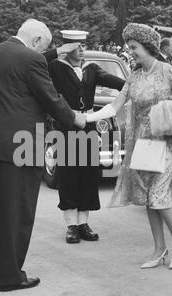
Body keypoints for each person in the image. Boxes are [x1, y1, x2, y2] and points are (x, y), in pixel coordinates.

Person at [0, 19, 86, 292]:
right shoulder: (30, 59)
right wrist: (74, 118)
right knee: (17, 214)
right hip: (21, 147)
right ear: (35, 42)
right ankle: (10, 277)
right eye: (43, 46)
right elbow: (50, 97)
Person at [85, 23, 172, 270]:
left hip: (167, 144)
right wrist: (85, 118)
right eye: (129, 47)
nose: (131, 52)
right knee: (149, 199)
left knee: (160, 198)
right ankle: (159, 249)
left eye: (134, 47)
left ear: (148, 47)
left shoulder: (170, 72)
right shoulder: (134, 77)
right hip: (143, 146)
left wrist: (171, 107)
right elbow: (114, 107)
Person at [48, 30, 125, 244]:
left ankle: (83, 223)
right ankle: (71, 225)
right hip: (66, 125)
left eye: (83, 45)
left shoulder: (91, 68)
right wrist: (58, 51)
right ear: (68, 48)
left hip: (89, 126)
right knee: (69, 175)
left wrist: (133, 84)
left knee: (88, 175)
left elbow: (114, 81)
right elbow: (36, 60)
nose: (82, 49)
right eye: (77, 46)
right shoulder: (55, 67)